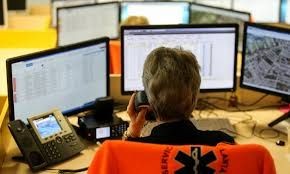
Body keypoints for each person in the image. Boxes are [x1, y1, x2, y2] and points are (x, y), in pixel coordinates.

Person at [123, 47, 235, 146]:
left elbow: (119, 157)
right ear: (194, 97)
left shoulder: (134, 150)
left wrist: (133, 131)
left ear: (147, 99)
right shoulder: (223, 143)